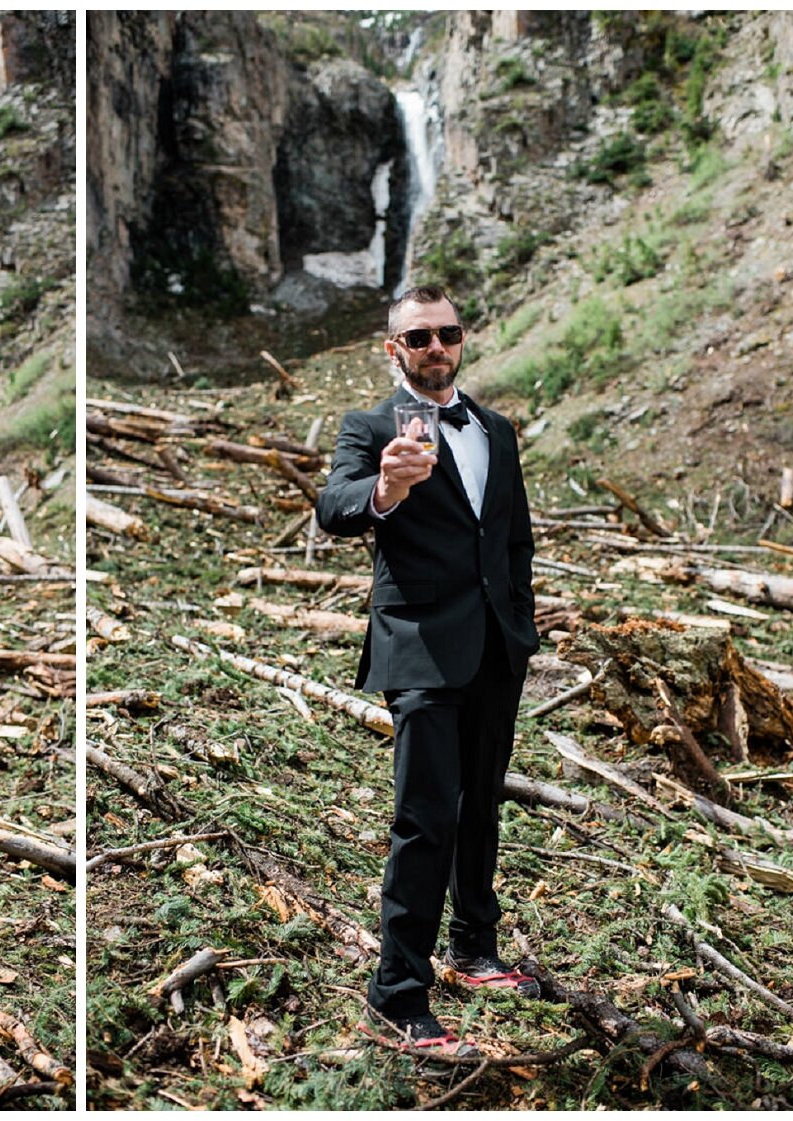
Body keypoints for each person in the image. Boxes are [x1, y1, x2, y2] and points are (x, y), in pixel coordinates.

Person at [315, 284, 540, 1056]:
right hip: (417, 646)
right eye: (418, 337)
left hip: (496, 646)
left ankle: (475, 948)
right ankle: (398, 992)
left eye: (446, 333)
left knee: (483, 802)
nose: (435, 347)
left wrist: (523, 624)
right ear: (394, 349)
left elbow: (515, 541)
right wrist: (387, 486)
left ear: (463, 338)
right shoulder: (371, 428)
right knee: (424, 817)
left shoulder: (497, 431)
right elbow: (333, 507)